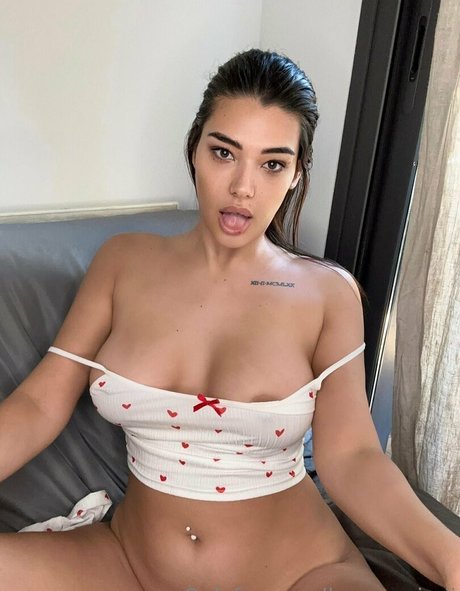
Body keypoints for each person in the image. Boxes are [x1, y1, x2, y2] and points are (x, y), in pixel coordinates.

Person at [0, 48, 458, 591]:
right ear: (195, 149)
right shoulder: (123, 263)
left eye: (272, 164)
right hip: (130, 562)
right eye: (224, 152)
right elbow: (38, 405)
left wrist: (451, 562)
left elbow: (353, 457)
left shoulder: (328, 295)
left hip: (297, 572)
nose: (243, 186)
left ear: (296, 174)